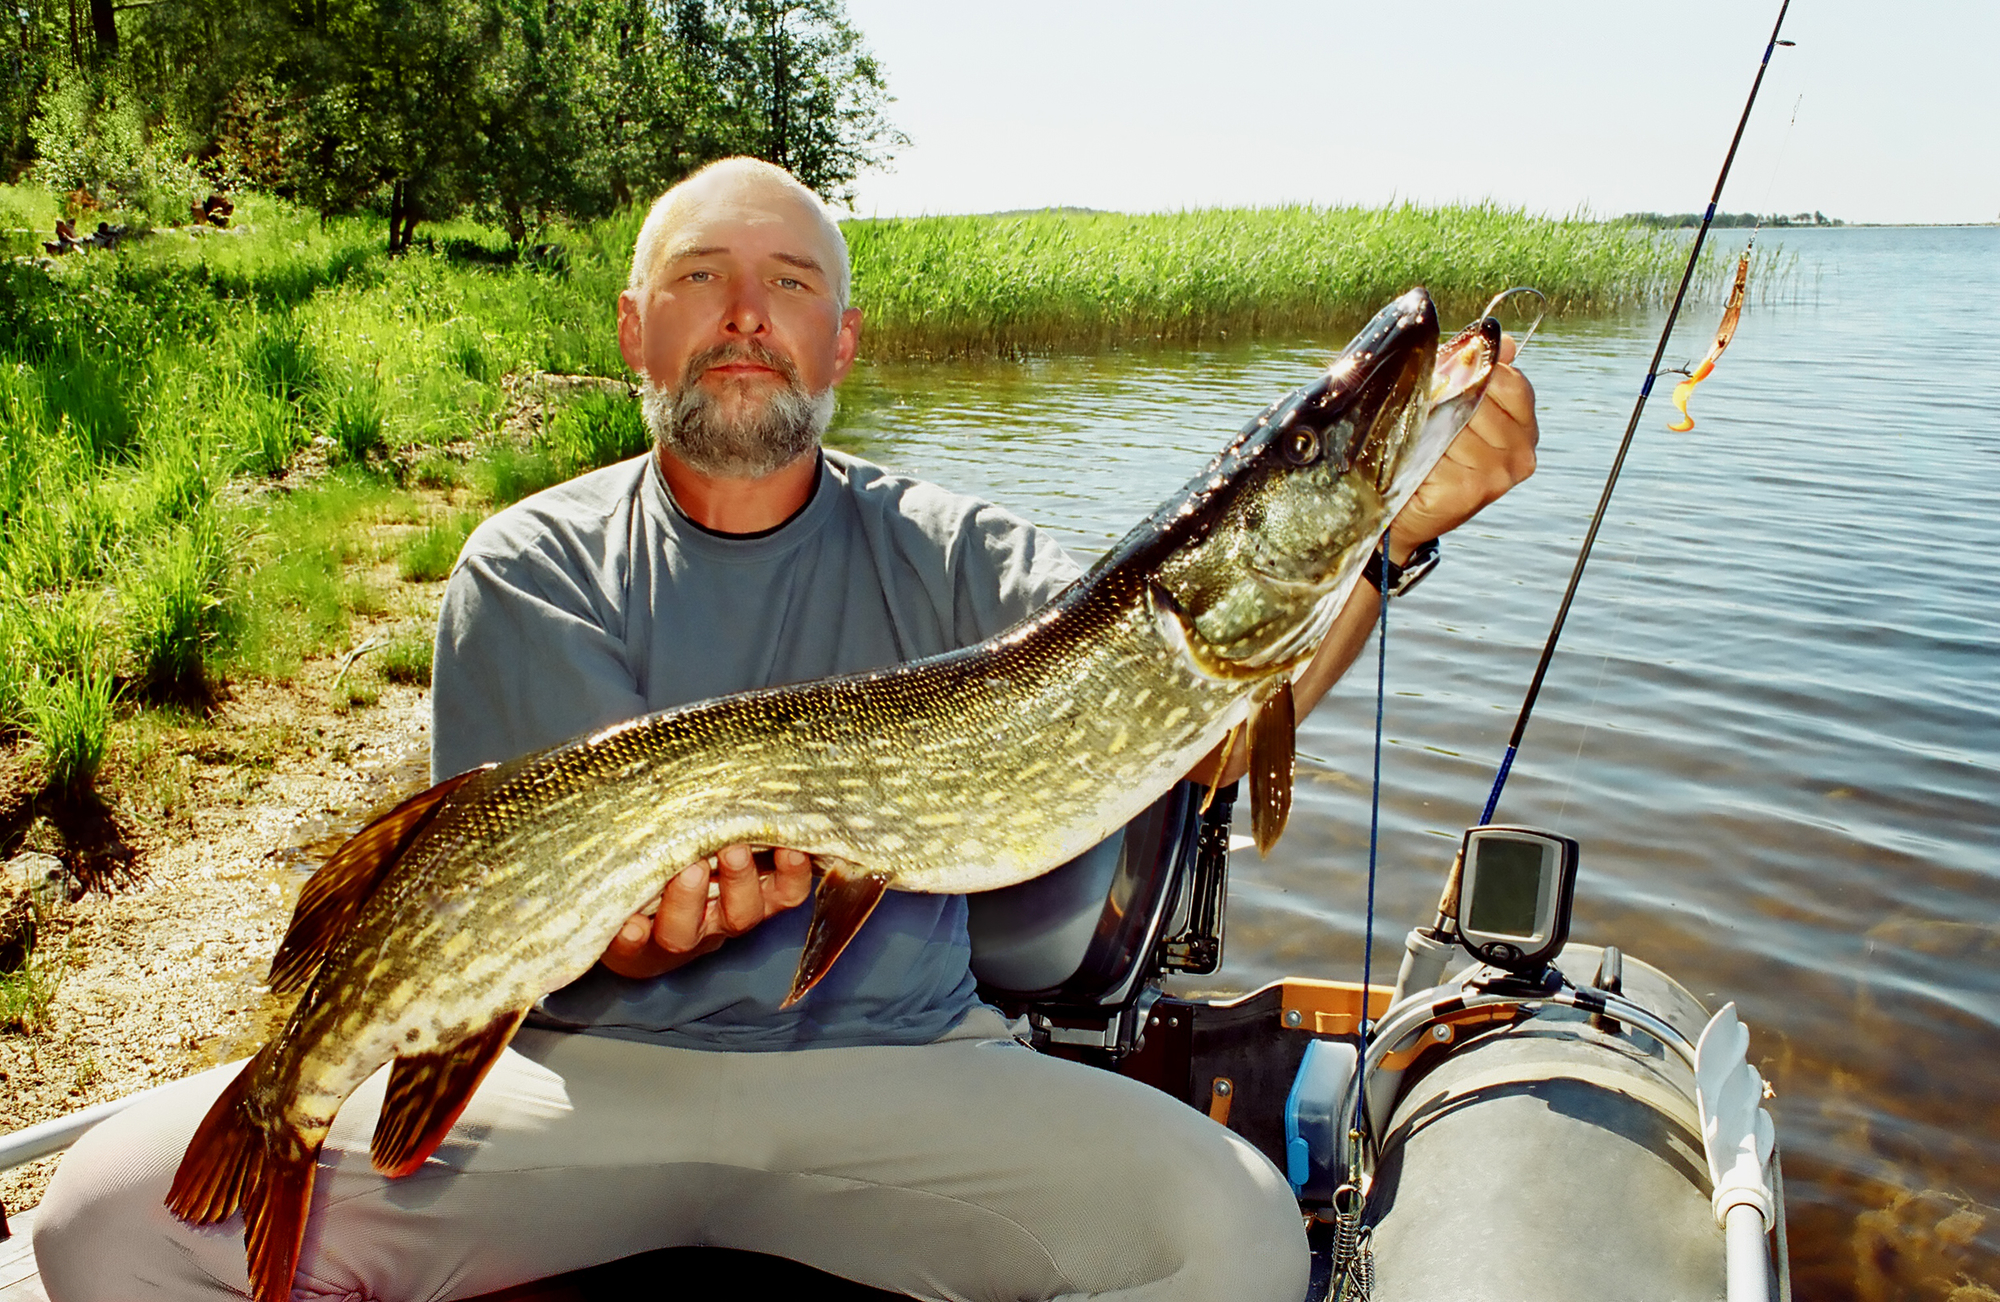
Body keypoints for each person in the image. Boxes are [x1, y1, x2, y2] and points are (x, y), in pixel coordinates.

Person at [32, 157, 1538, 1301]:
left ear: (843, 345)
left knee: (1233, 1227)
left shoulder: (965, 554)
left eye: (792, 284)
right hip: (582, 1087)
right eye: (701, 276)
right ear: (637, 328)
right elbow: (557, 915)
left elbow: (1207, 722)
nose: (747, 312)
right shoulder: (529, 562)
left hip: (910, 1072)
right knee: (103, 1213)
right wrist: (633, 931)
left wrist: (1397, 538)